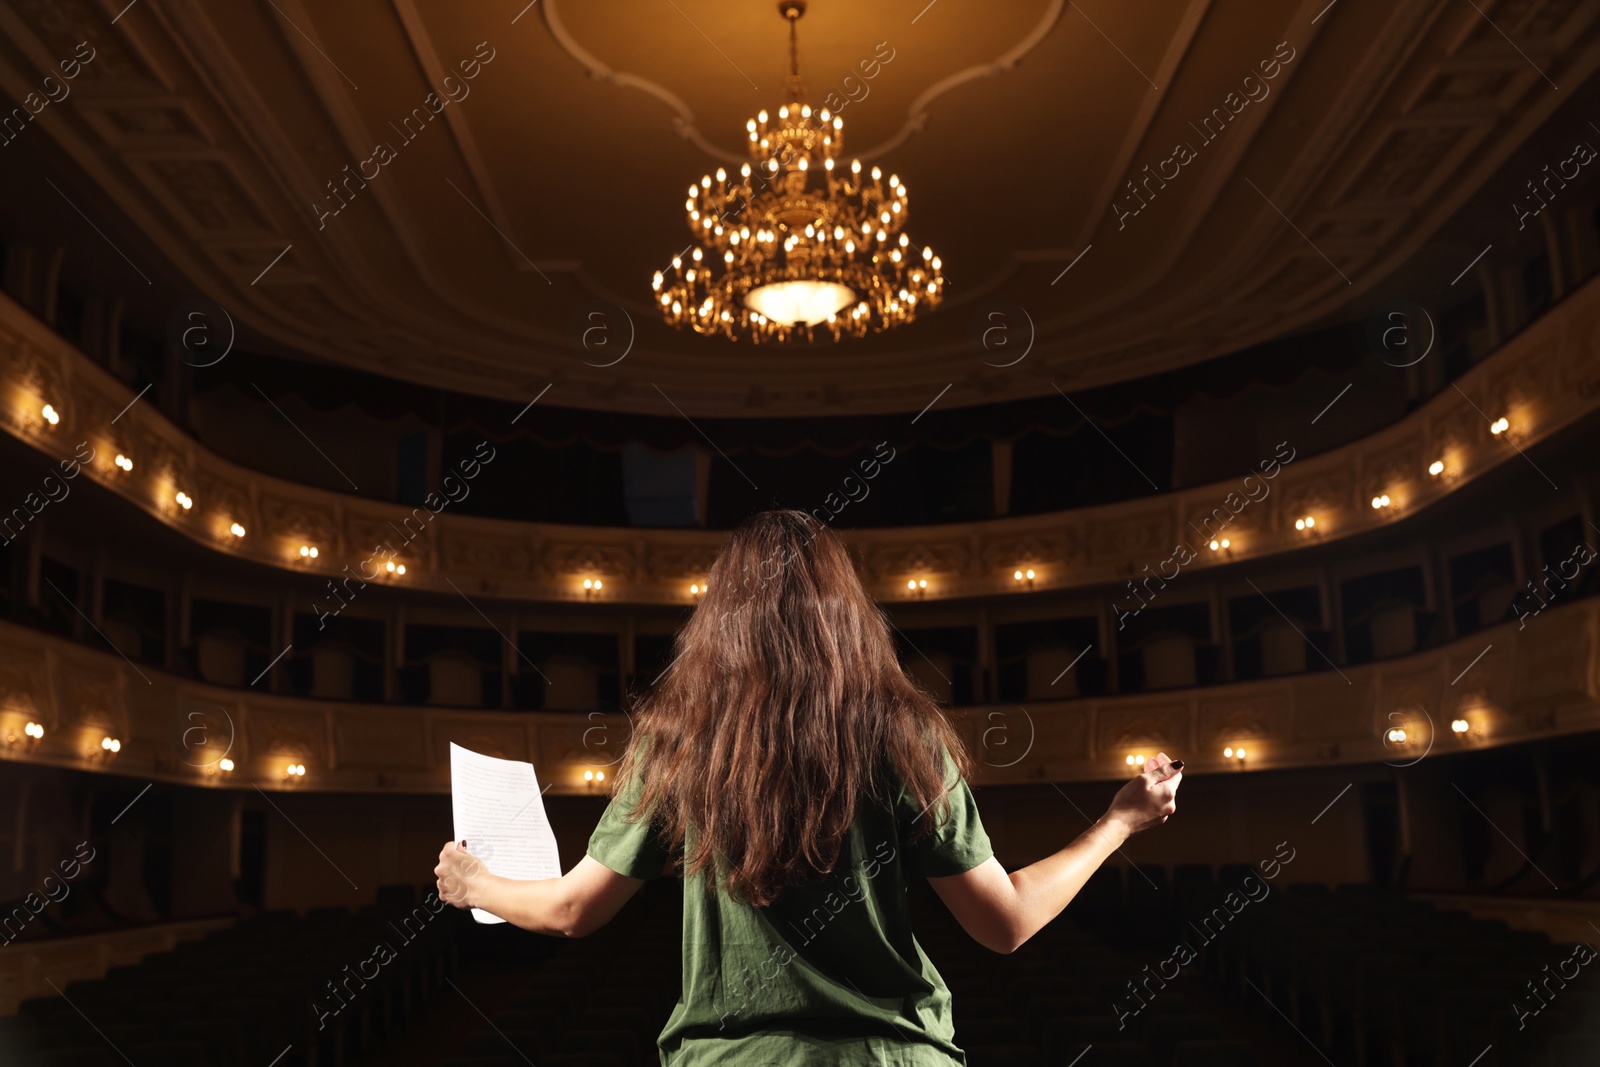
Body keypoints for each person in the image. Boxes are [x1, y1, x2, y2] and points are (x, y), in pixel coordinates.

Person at [435, 509, 1182, 1065]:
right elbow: (1006, 922)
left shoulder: (677, 736)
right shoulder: (902, 732)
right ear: (846, 611)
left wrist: (474, 881)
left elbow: (571, 910)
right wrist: (1118, 821)